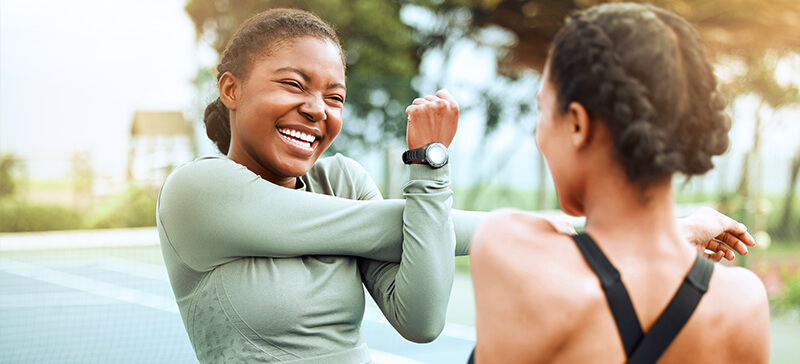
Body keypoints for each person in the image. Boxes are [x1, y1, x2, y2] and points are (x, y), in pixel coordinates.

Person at [157, 6, 757, 364]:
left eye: (334, 96)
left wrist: (429, 174)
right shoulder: (197, 192)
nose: (317, 109)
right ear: (231, 90)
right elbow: (401, 224)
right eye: (293, 85)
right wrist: (429, 161)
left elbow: (420, 320)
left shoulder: (341, 177)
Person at [469, 3, 769, 363]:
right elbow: (628, 253)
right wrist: (676, 234)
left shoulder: (510, 247)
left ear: (577, 124)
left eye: (543, 110)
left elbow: (588, 246)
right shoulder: (744, 302)